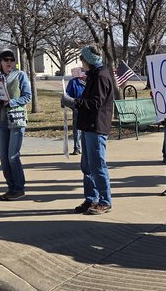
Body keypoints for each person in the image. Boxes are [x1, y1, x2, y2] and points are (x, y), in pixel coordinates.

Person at [61, 45, 115, 215]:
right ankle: (91, 198)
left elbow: (95, 104)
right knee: (87, 166)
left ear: (88, 60)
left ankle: (105, 201)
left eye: (82, 58)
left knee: (97, 165)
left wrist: (73, 102)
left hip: (96, 127)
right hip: (88, 126)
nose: (80, 62)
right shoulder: (93, 76)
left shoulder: (100, 76)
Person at [0, 49, 32, 201]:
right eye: (6, 59)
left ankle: (19, 188)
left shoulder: (20, 75)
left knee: (12, 156)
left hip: (16, 120)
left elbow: (27, 96)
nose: (9, 62)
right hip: (0, 120)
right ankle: (11, 187)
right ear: (0, 62)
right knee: (3, 157)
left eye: (11, 59)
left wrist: (11, 102)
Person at [66, 72, 86, 155]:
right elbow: (67, 95)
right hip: (77, 109)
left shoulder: (92, 81)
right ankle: (77, 148)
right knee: (77, 129)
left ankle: (86, 148)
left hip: (90, 109)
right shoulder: (73, 82)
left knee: (87, 130)